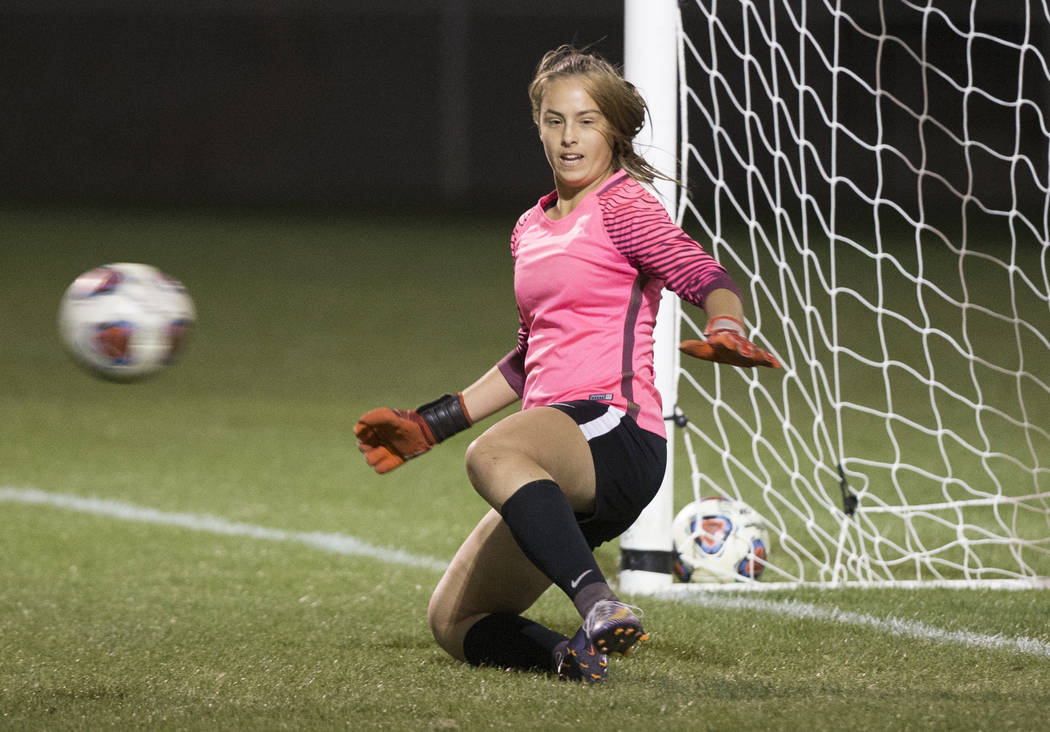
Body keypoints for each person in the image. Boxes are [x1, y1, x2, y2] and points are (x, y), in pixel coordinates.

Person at [355, 44, 779, 683]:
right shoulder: (530, 226)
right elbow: (531, 357)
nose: (569, 137)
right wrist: (431, 424)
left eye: (586, 121)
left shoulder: (623, 205)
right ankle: (570, 658)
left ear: (612, 128)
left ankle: (598, 602)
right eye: (555, 120)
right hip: (558, 448)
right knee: (455, 622)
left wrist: (725, 324)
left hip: (616, 430)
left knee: (493, 456)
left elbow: (702, 272)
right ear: (538, 125)